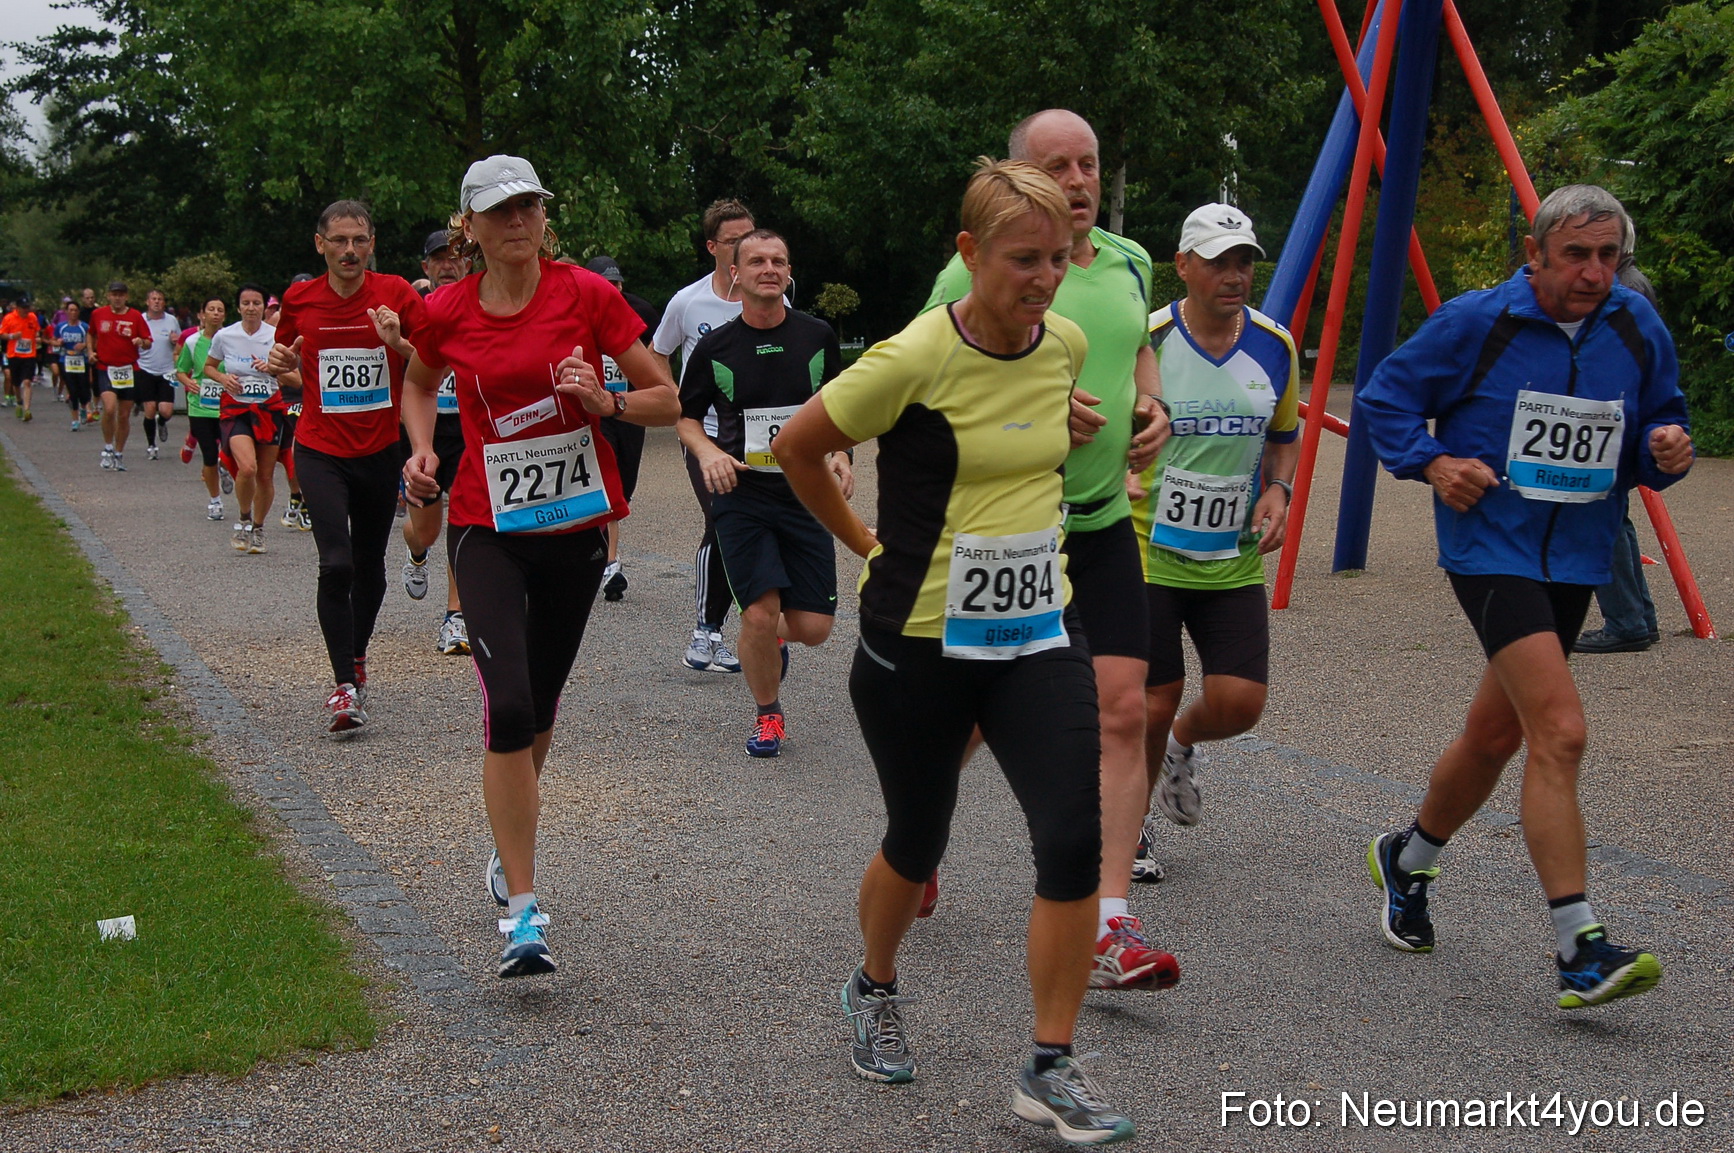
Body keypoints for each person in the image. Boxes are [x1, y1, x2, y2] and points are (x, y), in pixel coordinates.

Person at [777, 158, 1135, 1146]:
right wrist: (862, 544)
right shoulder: (911, 356)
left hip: (1035, 631)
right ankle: (873, 983)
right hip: (917, 639)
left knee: (1070, 838)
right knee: (918, 837)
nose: (1046, 279)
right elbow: (800, 448)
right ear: (969, 253)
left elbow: (1034, 424)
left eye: (1059, 259)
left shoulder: (1060, 344)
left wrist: (1124, 428)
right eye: (1024, 259)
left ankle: (1049, 1067)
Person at [1357, 184, 1691, 1009]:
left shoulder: (1635, 324)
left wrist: (1667, 447)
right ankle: (1579, 945)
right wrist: (1434, 463)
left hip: (1576, 554)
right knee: (1561, 730)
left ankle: (1407, 858)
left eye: (1609, 255)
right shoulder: (1479, 321)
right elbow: (1383, 400)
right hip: (1490, 545)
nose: (1594, 272)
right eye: (1576, 254)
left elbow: (1659, 428)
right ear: (1537, 252)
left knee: (1495, 732)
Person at [401, 155, 679, 979]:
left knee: (541, 704)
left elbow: (664, 393)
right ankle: (525, 912)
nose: (518, 220)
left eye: (529, 206)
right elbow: (418, 385)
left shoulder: (585, 295)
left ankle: (505, 835)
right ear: (471, 228)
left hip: (575, 529)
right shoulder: (447, 309)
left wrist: (607, 402)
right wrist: (421, 448)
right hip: (488, 524)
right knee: (510, 703)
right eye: (501, 210)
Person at [923, 108, 1174, 990]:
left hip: (1102, 519)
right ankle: (919, 829)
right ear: (1019, 176)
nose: (1077, 181)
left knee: (1124, 708)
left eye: (1088, 163)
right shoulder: (971, 267)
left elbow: (1138, 349)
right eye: (1056, 165)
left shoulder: (1130, 262)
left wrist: (1155, 408)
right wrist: (1022, 406)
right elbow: (931, 385)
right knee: (981, 715)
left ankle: (1111, 920)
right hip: (1009, 530)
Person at [1132, 204, 1299, 848]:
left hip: (1231, 553)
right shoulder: (1147, 338)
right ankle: (1132, 823)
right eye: (1218, 262)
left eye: (1244, 263)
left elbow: (1283, 434)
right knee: (1153, 695)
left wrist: (1278, 490)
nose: (1234, 276)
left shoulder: (1274, 344)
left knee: (1239, 702)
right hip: (1148, 546)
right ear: (1182, 266)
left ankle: (1180, 748)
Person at [676, 230, 849, 757]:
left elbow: (841, 408)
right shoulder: (714, 347)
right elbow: (684, 419)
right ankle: (768, 714)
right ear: (736, 273)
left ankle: (764, 641)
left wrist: (841, 455)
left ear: (788, 272)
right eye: (756, 261)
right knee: (756, 610)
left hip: (806, 493)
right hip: (742, 496)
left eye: (778, 259)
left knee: (815, 628)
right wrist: (707, 454)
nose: (768, 268)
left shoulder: (817, 336)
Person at [267, 202, 428, 733]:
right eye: (339, 240)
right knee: (336, 564)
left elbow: (434, 360)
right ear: (321, 245)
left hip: (379, 451)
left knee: (369, 562)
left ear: (372, 241)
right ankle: (343, 686)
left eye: (359, 240)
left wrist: (397, 343)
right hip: (318, 448)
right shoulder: (299, 298)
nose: (350, 250)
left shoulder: (397, 294)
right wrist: (283, 367)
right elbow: (283, 361)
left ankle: (356, 656)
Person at [652, 198, 762, 674]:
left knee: (750, 525)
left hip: (756, 437)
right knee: (721, 518)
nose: (746, 246)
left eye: (751, 236)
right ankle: (705, 632)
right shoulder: (689, 301)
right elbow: (658, 351)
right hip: (706, 435)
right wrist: (676, 399)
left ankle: (750, 624)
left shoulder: (771, 294)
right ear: (714, 247)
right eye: (735, 240)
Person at [1575, 258, 1663, 654]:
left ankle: (1627, 621)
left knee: (1599, 518)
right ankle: (1638, 617)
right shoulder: (1630, 284)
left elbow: (1617, 357)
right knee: (1615, 517)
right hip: (1621, 415)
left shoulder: (1622, 293)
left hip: (1610, 417)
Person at [401, 230, 473, 656]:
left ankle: (455, 616)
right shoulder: (411, 311)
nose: (448, 264)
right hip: (422, 433)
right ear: (425, 267)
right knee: (426, 531)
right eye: (439, 258)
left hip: (467, 429)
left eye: (456, 256)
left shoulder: (481, 305)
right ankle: (414, 551)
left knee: (464, 520)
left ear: (469, 262)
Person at [584, 254, 660, 603]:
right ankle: (609, 562)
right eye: (605, 282)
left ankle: (597, 552)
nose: (612, 289)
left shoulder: (641, 311)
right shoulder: (578, 309)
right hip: (595, 412)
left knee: (624, 486)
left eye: (616, 282)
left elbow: (657, 357)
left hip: (629, 408)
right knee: (605, 481)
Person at [205, 284, 283, 552]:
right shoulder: (225, 336)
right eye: (246, 303)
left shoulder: (276, 336)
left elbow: (295, 377)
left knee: (265, 475)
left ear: (264, 307)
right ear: (238, 307)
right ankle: (243, 518)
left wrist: (273, 369)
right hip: (236, 408)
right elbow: (208, 367)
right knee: (247, 467)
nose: (251, 308)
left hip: (269, 409)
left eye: (257, 303)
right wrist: (224, 378)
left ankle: (259, 528)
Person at [92, 281, 154, 470]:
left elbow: (148, 342)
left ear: (126, 296)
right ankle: (108, 447)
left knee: (124, 415)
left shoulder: (135, 316)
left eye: (121, 294)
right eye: (114, 294)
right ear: (108, 296)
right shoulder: (98, 314)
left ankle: (119, 453)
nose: (117, 298)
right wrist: (90, 351)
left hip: (128, 370)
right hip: (105, 367)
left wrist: (140, 341)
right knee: (109, 408)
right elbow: (91, 334)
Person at [177, 296, 229, 520]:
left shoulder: (231, 339)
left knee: (230, 452)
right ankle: (215, 501)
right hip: (200, 406)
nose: (216, 313)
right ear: (202, 315)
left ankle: (225, 465)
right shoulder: (192, 342)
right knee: (208, 454)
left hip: (228, 405)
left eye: (220, 310)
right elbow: (181, 369)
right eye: (211, 309)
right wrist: (187, 382)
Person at [135, 288, 183, 459]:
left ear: (164, 302)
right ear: (147, 302)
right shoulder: (139, 319)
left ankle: (161, 422)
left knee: (166, 410)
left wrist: (175, 341)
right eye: (153, 299)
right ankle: (151, 445)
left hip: (167, 370)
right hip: (145, 368)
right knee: (149, 408)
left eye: (160, 299)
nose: (156, 302)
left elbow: (179, 343)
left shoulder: (171, 320)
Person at [1, 297, 42, 422]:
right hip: (14, 355)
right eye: (23, 308)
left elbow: (37, 332)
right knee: (16, 383)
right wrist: (13, 336)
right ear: (17, 308)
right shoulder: (9, 318)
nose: (26, 310)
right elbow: (2, 334)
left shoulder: (32, 317)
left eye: (27, 308)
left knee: (27, 382)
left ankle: (27, 410)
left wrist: (38, 337)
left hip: (29, 355)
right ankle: (19, 401)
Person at [54, 302, 92, 431]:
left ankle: (83, 407)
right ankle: (75, 419)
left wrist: (84, 345)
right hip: (66, 360)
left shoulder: (84, 327)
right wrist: (58, 342)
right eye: (71, 310)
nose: (73, 313)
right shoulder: (61, 327)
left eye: (75, 310)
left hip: (82, 362)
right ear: (66, 312)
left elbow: (92, 341)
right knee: (72, 390)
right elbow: (52, 340)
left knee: (84, 390)